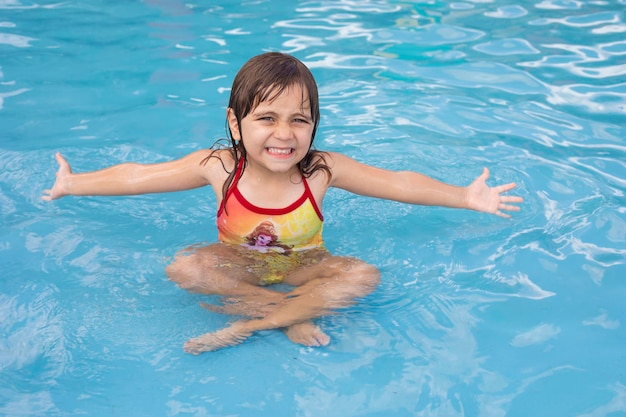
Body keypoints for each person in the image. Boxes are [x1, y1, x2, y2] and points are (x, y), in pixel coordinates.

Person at [42, 52, 523, 354]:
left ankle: (257, 322)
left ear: (314, 125)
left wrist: (464, 195)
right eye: (267, 117)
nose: (284, 134)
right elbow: (140, 177)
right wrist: (75, 182)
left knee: (362, 275)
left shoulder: (321, 172)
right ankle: (292, 316)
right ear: (236, 123)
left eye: (299, 120)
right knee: (186, 267)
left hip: (305, 267)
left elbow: (396, 183)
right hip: (238, 265)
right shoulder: (219, 167)